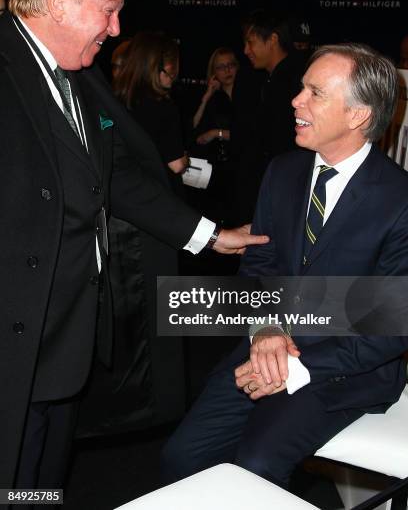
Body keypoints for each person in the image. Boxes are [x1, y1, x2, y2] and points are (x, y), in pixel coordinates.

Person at [0, 0, 268, 490]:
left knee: (42, 484)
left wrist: (209, 235)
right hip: (15, 344)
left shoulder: (76, 75)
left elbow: (114, 177)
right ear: (56, 0)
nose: (117, 27)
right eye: (109, 9)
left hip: (64, 342)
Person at [162, 43, 408, 489]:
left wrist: (290, 367)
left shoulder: (399, 202)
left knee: (256, 464)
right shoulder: (283, 172)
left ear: (358, 115)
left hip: (343, 370)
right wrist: (266, 331)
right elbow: (259, 264)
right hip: (265, 344)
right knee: (182, 458)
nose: (296, 101)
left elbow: (388, 330)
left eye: (315, 92)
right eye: (301, 89)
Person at [230, 10, 306, 224]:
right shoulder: (266, 80)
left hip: (282, 190)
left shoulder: (294, 81)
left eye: (251, 43)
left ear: (272, 40)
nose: (246, 51)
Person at [115, 31, 188, 195]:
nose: (175, 73)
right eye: (173, 64)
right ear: (160, 66)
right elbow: (176, 165)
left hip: (124, 194)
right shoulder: (164, 106)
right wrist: (185, 159)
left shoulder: (118, 99)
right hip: (157, 197)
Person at [191, 47, 239, 224]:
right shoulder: (214, 99)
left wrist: (216, 133)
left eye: (231, 65)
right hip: (216, 172)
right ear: (213, 72)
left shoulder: (248, 94)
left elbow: (250, 133)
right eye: (221, 67)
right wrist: (207, 96)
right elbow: (193, 130)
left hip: (241, 168)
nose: (227, 70)